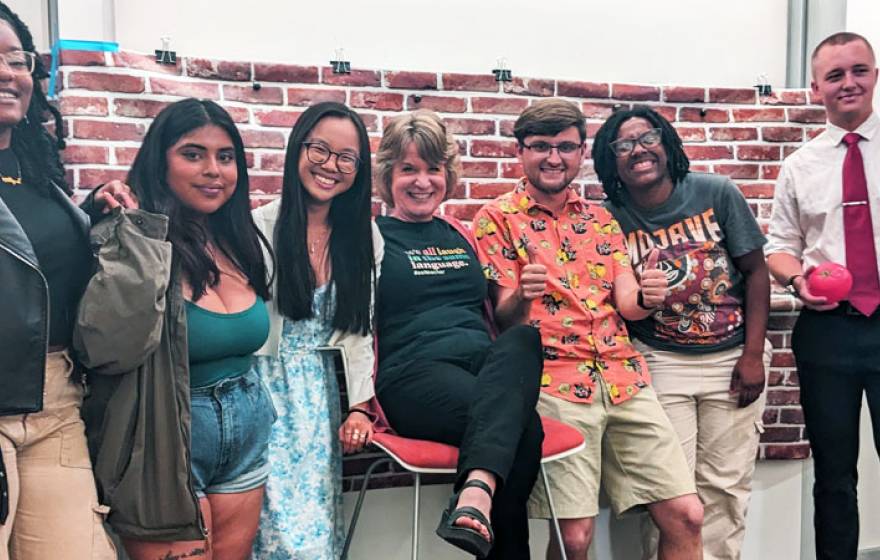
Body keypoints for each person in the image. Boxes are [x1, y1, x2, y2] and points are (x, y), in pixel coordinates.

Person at [473, 99, 704, 560]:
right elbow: (504, 319)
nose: (553, 157)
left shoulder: (600, 219)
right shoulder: (495, 218)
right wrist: (523, 292)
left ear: (581, 153)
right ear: (520, 151)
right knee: (573, 537)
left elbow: (627, 305)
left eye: (565, 146)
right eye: (540, 146)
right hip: (553, 384)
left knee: (687, 515)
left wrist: (648, 295)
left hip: (624, 379)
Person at [74, 98, 275, 560]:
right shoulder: (129, 234)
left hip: (245, 429)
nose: (213, 170)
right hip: (163, 438)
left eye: (226, 157)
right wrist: (134, 231)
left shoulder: (238, 238)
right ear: (159, 160)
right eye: (192, 154)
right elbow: (107, 347)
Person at [594, 106, 771, 560]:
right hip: (660, 361)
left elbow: (756, 273)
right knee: (671, 494)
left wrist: (753, 356)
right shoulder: (608, 219)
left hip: (731, 359)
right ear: (610, 161)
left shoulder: (716, 193)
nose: (638, 150)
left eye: (647, 138)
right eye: (623, 145)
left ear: (667, 143)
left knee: (725, 488)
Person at [373, 110, 544, 559]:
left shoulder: (460, 234)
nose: (422, 181)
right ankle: (478, 492)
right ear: (387, 175)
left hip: (480, 365)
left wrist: (522, 297)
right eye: (409, 168)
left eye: (433, 169)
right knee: (525, 429)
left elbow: (505, 321)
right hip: (412, 373)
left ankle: (474, 495)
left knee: (525, 340)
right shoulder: (371, 237)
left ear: (448, 175)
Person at [0, 1, 125, 557]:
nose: (8, 72)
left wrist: (88, 215)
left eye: (17, 59)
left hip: (52, 404)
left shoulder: (36, 174)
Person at [249, 101, 381, 558]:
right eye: (319, 150)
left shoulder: (365, 237)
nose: (331, 166)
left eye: (347, 158)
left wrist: (360, 409)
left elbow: (359, 332)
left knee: (318, 535)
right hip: (262, 392)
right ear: (297, 149)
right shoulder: (257, 227)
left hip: (320, 400)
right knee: (269, 532)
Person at [767, 31, 880, 560]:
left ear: (875, 75)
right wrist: (796, 281)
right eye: (835, 75)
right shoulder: (800, 165)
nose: (848, 83)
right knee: (834, 474)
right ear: (816, 89)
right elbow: (780, 247)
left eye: (858, 70)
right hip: (828, 330)